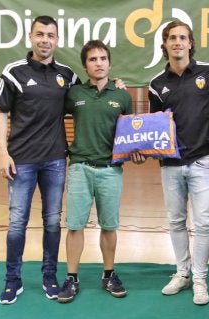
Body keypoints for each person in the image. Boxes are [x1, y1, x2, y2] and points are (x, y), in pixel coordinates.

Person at [0, 15, 79, 305]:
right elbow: (0, 113)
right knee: (17, 223)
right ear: (31, 36)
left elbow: (88, 95)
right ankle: (12, 280)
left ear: (57, 40)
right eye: (40, 34)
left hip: (55, 160)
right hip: (21, 162)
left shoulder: (66, 75)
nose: (45, 40)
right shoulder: (14, 71)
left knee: (52, 222)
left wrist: (114, 82)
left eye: (51, 35)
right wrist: (3, 153)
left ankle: (49, 276)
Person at [147, 21, 209, 305]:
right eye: (172, 38)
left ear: (190, 43)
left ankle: (200, 279)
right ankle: (182, 273)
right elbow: (154, 126)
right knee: (176, 221)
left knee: (205, 222)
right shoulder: (156, 84)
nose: (178, 42)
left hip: (201, 161)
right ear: (165, 44)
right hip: (170, 165)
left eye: (183, 37)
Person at [57, 40, 133, 303]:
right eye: (93, 59)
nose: (99, 63)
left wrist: (137, 151)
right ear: (85, 65)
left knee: (109, 226)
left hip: (111, 170)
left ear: (109, 63)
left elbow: (131, 134)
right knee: (74, 226)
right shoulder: (75, 94)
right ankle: (71, 277)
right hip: (79, 167)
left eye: (103, 58)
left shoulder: (122, 96)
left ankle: (109, 274)